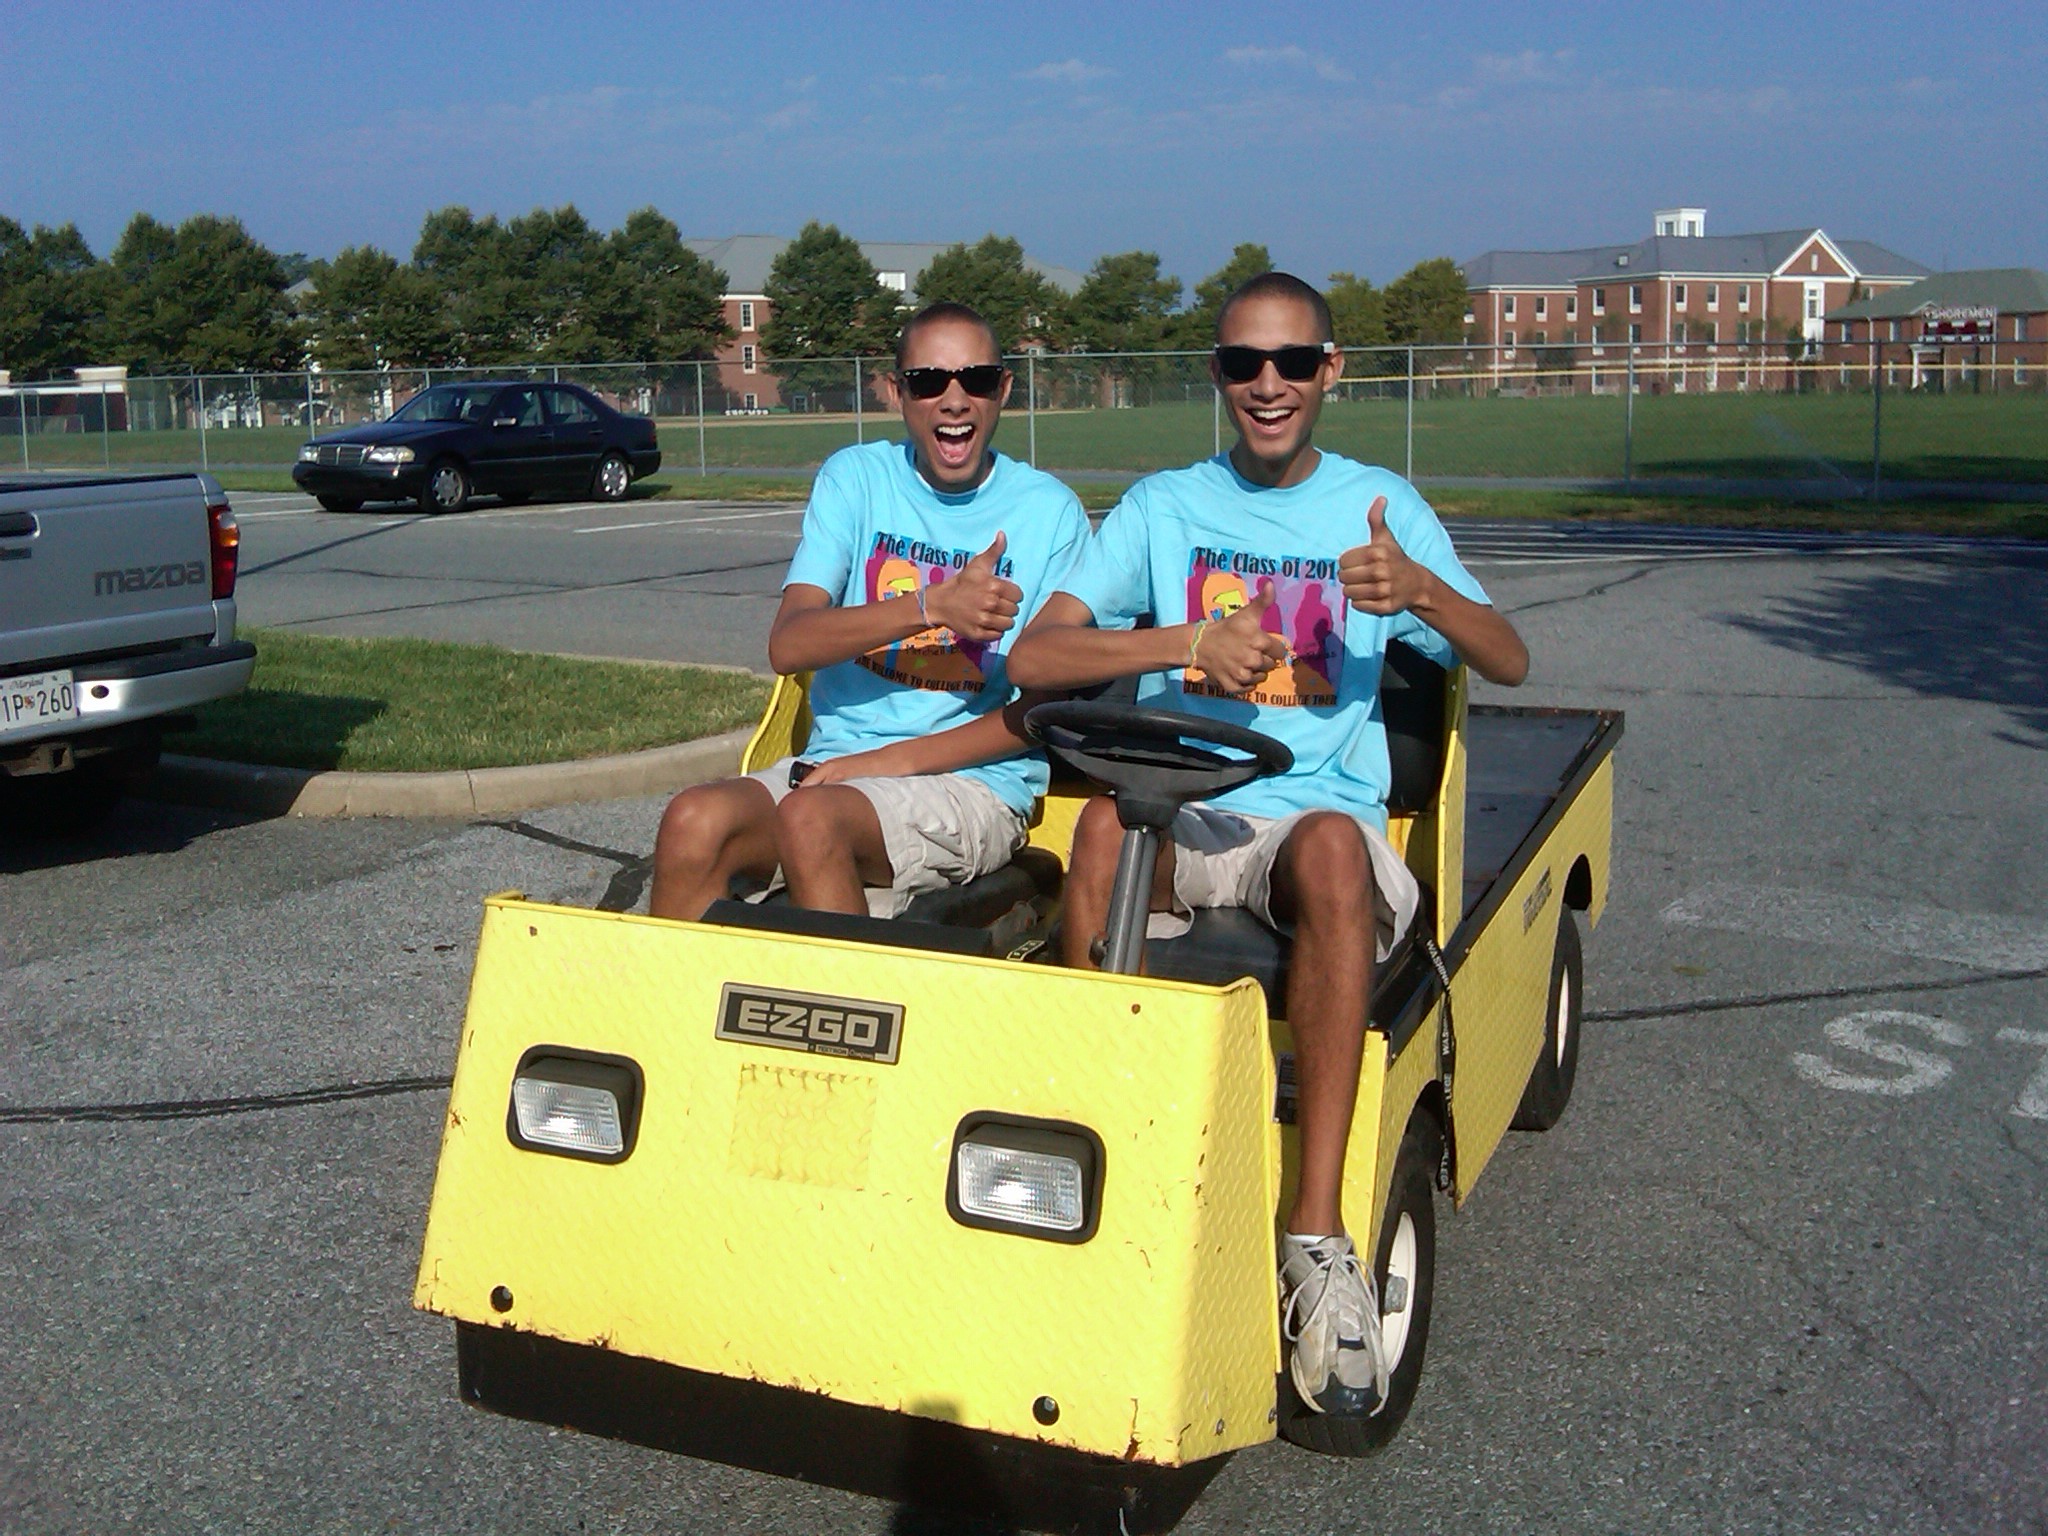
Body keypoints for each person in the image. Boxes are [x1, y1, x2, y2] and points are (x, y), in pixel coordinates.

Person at [1006, 272, 1528, 1417]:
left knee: (1336, 848)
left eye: (1292, 362)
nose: (1268, 384)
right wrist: (1188, 635)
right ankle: (1092, 1157)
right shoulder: (1160, 507)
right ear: (1217, 377)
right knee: (1096, 828)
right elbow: (1035, 662)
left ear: (1329, 372)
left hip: (1310, 819)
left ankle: (1315, 1235)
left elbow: (1508, 660)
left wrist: (1426, 593)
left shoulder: (1378, 507)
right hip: (1182, 804)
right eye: (1244, 363)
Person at [648, 302, 1089, 922]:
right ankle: (675, 1013)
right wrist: (929, 605)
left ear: (1004, 390)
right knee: (693, 821)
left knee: (811, 820)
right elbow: (790, 645)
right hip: (833, 770)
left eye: (977, 380)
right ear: (895, 392)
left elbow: (1044, 710)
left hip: (971, 784)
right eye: (929, 381)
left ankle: (832, 1012)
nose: (954, 399)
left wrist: (881, 764)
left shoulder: (1050, 513)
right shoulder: (855, 478)